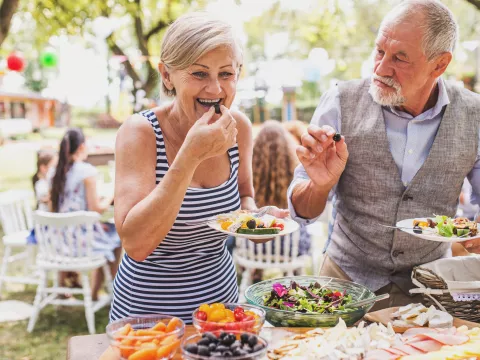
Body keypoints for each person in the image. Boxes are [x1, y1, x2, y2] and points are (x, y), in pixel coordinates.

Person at [288, 0, 480, 310]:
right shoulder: (340, 101)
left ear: (439, 64)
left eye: (400, 58)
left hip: (432, 292)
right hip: (344, 287)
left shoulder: (474, 115)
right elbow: (303, 211)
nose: (380, 68)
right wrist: (319, 185)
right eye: (379, 51)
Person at [111, 12, 287, 323]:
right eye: (200, 74)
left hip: (220, 313)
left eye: (226, 74)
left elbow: (245, 196)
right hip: (148, 319)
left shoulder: (239, 128)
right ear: (167, 76)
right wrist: (190, 156)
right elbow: (136, 244)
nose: (216, 89)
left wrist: (255, 219)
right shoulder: (140, 133)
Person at [50, 128, 121, 300]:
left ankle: (61, 288)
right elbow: (96, 208)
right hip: (80, 242)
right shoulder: (86, 171)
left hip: (56, 241)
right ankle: (97, 292)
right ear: (82, 147)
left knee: (105, 231)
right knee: (116, 237)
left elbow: (54, 206)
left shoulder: (55, 171)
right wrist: (112, 193)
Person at [249, 120, 311, 281]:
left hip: (253, 248)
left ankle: (257, 271)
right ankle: (291, 275)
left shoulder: (248, 174)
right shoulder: (296, 173)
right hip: (291, 247)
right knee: (300, 229)